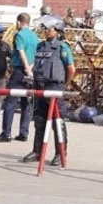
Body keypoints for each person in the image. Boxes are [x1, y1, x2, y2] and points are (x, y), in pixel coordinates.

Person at [22, 17, 75, 167]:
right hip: (40, 86)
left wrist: (64, 84)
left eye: (49, 29)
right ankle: (37, 151)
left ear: (57, 31)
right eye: (45, 29)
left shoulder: (62, 47)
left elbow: (71, 69)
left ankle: (60, 153)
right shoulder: (40, 47)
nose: (46, 31)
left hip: (54, 87)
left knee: (58, 123)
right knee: (39, 120)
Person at [0, 13, 38, 143]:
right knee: (26, 103)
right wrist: (31, 69)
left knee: (10, 102)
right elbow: (36, 55)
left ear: (18, 23)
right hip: (31, 71)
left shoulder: (19, 35)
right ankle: (24, 133)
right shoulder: (35, 37)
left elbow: (21, 53)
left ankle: (6, 133)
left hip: (20, 71)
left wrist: (26, 70)